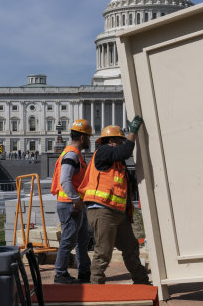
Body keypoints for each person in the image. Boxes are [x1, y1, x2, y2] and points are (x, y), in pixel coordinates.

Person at [78, 117, 150, 285]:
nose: (121, 143)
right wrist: (133, 131)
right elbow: (125, 152)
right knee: (103, 252)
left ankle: (142, 283)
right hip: (102, 210)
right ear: (111, 141)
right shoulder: (103, 152)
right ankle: (96, 288)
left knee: (131, 249)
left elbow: (126, 186)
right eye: (120, 140)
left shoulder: (118, 163)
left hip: (118, 213)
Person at [50, 119, 93, 284]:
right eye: (88, 137)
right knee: (68, 240)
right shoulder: (71, 154)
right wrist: (75, 200)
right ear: (82, 138)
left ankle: (84, 272)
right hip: (70, 204)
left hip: (75, 204)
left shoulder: (75, 154)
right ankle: (60, 274)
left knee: (82, 240)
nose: (89, 140)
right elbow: (65, 180)